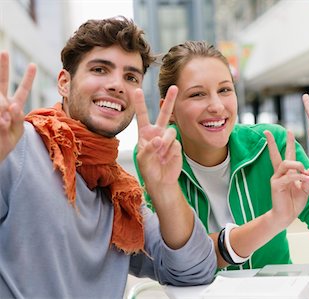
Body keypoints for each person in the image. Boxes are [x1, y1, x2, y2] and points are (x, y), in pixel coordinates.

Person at [0, 18, 216, 298]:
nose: (117, 85)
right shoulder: (17, 145)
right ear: (64, 83)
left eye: (131, 77)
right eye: (100, 69)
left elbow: (195, 271)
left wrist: (164, 189)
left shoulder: (119, 193)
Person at [134, 40, 309, 270]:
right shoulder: (157, 154)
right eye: (197, 94)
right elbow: (181, 260)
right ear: (170, 109)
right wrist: (275, 218)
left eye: (225, 90)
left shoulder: (272, 145)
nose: (216, 106)